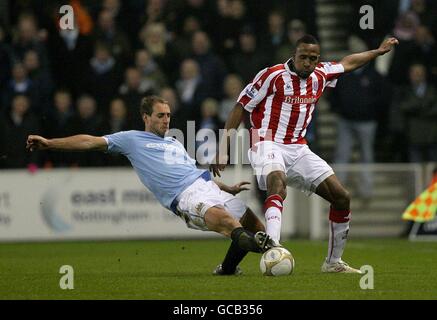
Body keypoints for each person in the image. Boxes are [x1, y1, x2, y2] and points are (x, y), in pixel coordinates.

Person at [210, 34, 399, 273]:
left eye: (313, 58)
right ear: (293, 55)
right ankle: (274, 247)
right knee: (277, 183)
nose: (308, 63)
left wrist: (378, 51)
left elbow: (349, 62)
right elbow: (241, 106)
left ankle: (333, 263)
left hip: (298, 147)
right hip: (265, 140)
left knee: (341, 197)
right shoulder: (272, 75)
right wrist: (223, 147)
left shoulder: (321, 74)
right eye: (303, 57)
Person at [27, 95, 275, 275]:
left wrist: (226, 187)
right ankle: (272, 253)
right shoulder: (131, 139)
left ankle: (228, 269)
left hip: (207, 187)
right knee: (229, 223)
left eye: (168, 115)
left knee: (255, 224)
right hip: (186, 198)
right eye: (160, 116)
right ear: (146, 117)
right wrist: (50, 143)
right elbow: (88, 141)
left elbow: (195, 172)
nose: (166, 120)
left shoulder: (175, 144)